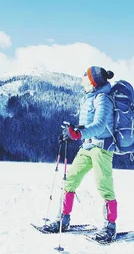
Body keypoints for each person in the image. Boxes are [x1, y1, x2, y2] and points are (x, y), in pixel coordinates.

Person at [45, 66, 119, 242]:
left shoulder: (103, 99)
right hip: (87, 147)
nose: (82, 77)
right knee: (70, 179)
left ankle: (110, 227)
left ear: (93, 81)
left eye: (86, 75)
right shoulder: (90, 97)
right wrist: (73, 132)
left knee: (104, 186)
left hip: (102, 148)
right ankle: (63, 219)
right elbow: (87, 126)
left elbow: (100, 125)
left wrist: (77, 134)